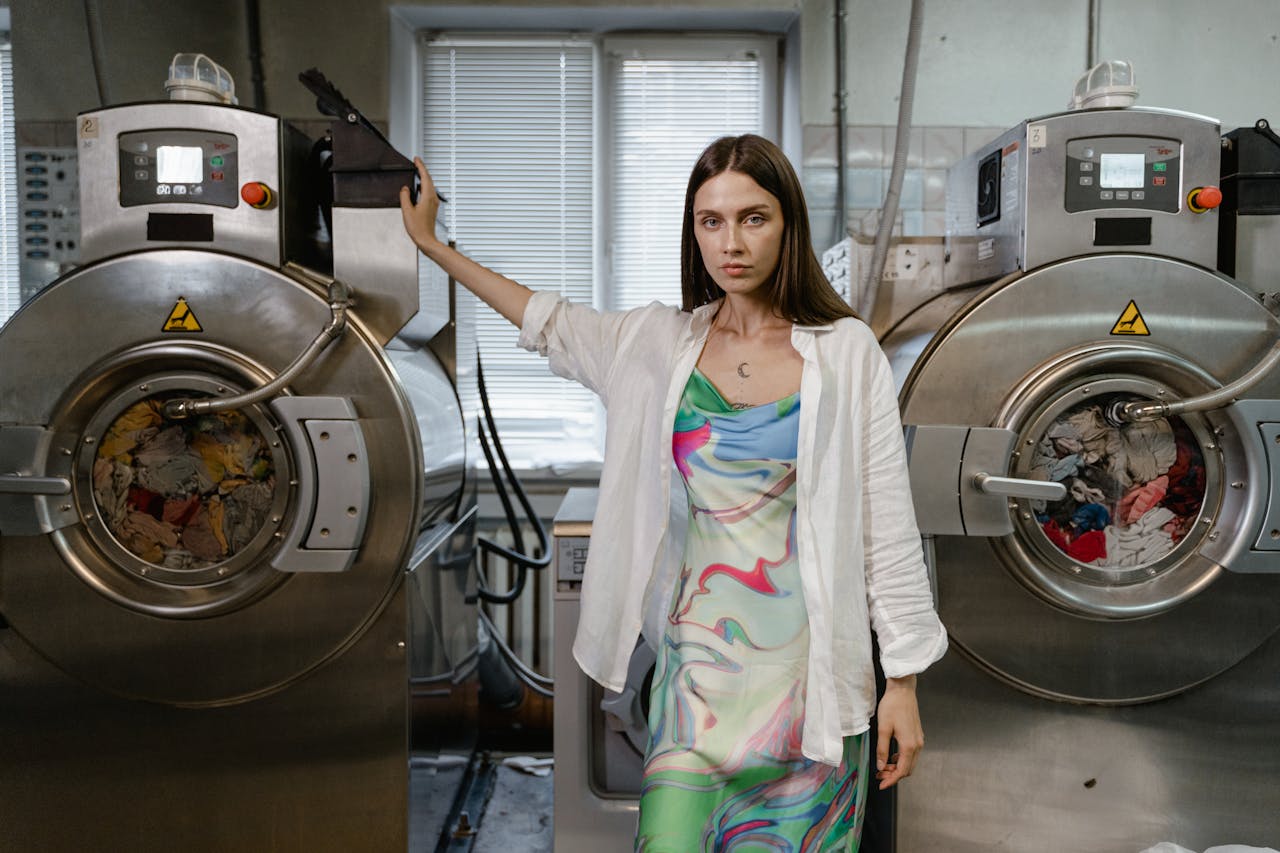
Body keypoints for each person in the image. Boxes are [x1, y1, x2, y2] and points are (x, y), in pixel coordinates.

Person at [401, 134, 947, 852]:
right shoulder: (659, 344)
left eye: (753, 217)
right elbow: (548, 320)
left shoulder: (846, 352)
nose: (732, 242)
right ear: (693, 232)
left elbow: (887, 526)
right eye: (710, 221)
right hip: (696, 690)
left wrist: (902, 681)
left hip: (811, 697)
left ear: (788, 224)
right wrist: (434, 247)